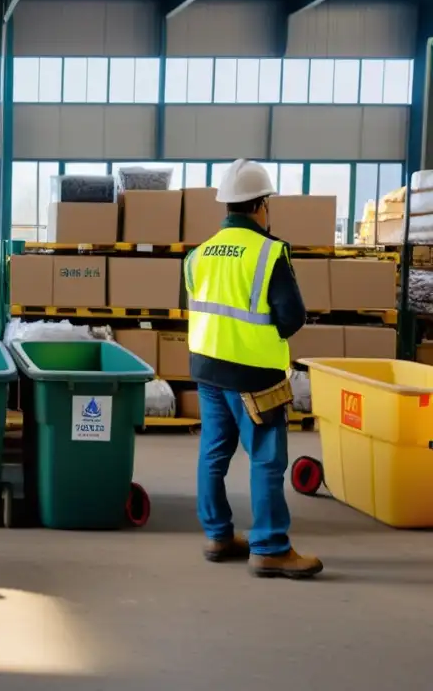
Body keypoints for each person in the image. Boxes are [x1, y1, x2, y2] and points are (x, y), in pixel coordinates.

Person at [184, 160, 322, 579]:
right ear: (261, 205)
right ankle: (270, 547)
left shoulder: (198, 254)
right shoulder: (269, 252)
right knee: (265, 459)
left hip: (208, 368)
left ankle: (217, 535)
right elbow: (292, 317)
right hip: (254, 375)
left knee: (213, 454)